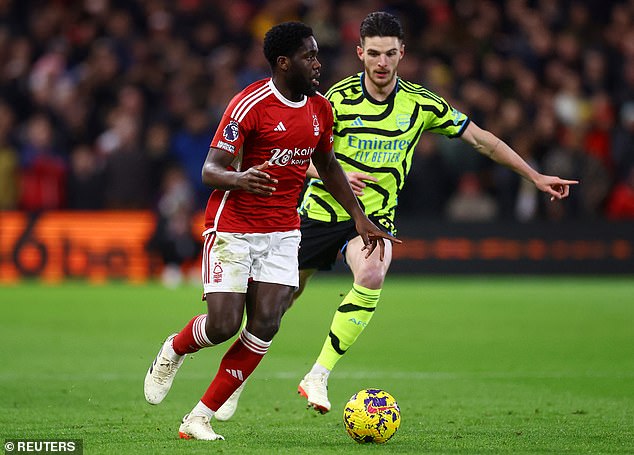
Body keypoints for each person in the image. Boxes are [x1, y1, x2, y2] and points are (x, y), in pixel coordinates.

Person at [219, 11, 578, 417]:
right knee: (276, 307)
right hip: (318, 212)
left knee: (372, 273)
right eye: (374, 53)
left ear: (402, 53)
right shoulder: (333, 100)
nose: (382, 62)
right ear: (360, 54)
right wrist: (329, 172)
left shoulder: (421, 103)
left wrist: (533, 175)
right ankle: (235, 381)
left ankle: (318, 374)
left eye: (390, 53)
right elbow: (294, 154)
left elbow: (481, 140)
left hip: (373, 220)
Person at [142, 21, 397, 441]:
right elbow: (210, 170)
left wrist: (359, 217)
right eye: (309, 56)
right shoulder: (250, 104)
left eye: (317, 55)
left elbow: (329, 166)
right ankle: (174, 349)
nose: (318, 64)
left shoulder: (319, 109)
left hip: (283, 231)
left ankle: (198, 417)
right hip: (234, 228)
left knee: (266, 324)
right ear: (284, 62)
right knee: (224, 324)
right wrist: (241, 179)